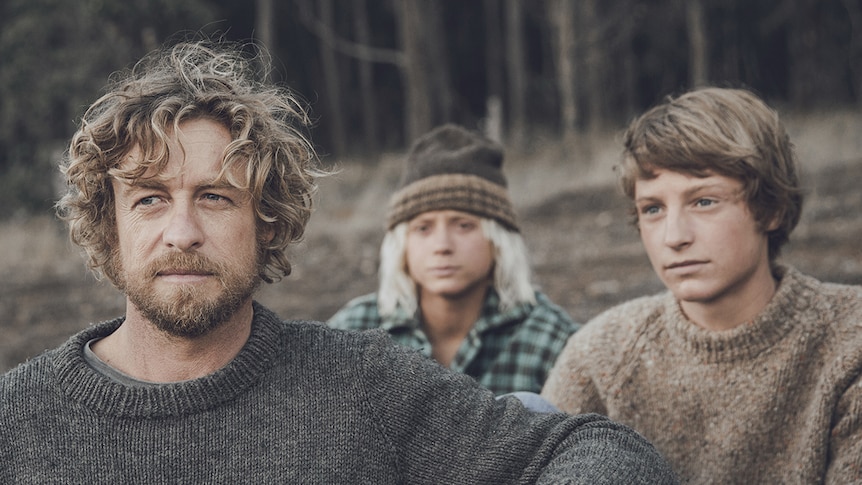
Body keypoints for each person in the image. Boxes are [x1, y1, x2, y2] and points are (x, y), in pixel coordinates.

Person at [0, 40, 678, 484]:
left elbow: (591, 450)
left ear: (267, 223)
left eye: (215, 197)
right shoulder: (16, 422)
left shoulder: (362, 385)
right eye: (149, 199)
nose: (182, 231)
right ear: (107, 223)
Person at [541, 86, 862, 483]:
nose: (673, 236)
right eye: (653, 209)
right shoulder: (599, 357)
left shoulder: (850, 340)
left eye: (704, 201)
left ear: (772, 208)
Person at [328, 123, 579, 396]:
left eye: (464, 226)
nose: (442, 246)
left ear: (498, 240)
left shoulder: (553, 339)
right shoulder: (352, 332)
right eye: (423, 228)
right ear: (402, 245)